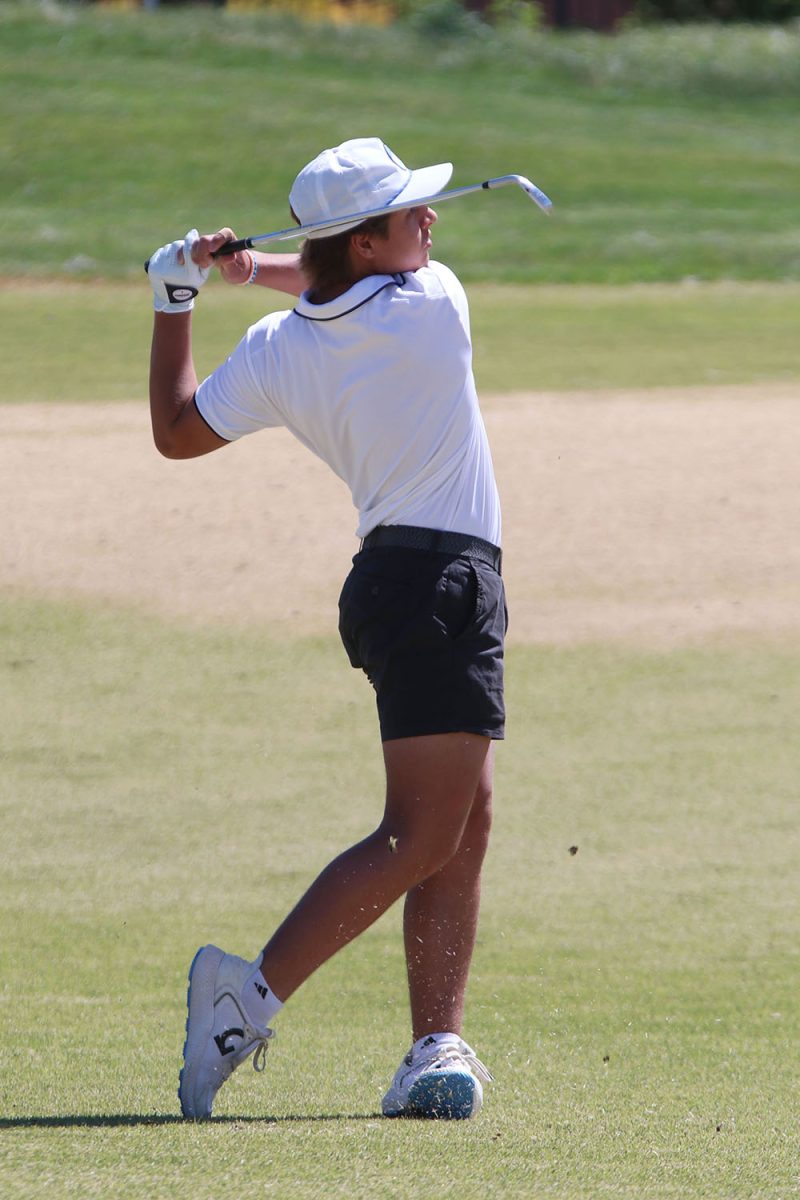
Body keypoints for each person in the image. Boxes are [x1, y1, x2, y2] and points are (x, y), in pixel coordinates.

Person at [146, 137, 506, 1121]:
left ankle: (434, 1045)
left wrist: (179, 295)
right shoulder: (437, 307)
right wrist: (256, 269)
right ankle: (246, 994)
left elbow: (176, 430)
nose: (429, 220)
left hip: (395, 581)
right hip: (443, 584)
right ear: (362, 243)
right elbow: (334, 276)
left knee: (461, 820)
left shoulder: (276, 348)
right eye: (406, 213)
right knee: (418, 832)